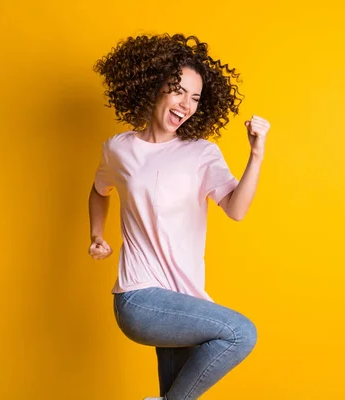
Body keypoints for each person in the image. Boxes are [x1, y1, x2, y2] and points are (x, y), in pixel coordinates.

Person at [88, 33, 270, 400]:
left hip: (183, 297)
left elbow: (236, 210)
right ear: (154, 87)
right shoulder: (119, 149)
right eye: (178, 91)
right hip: (140, 299)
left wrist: (256, 155)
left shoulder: (201, 153)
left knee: (174, 392)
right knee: (240, 333)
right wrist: (96, 235)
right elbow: (98, 189)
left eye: (196, 97)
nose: (186, 104)